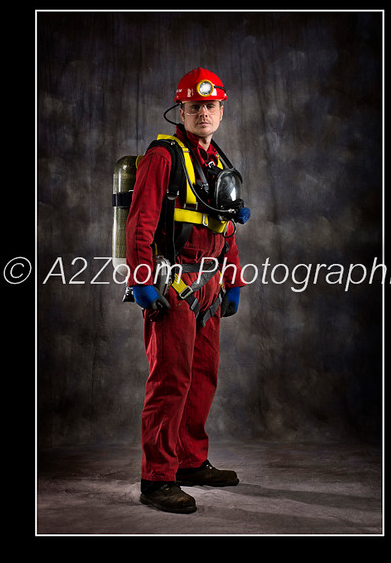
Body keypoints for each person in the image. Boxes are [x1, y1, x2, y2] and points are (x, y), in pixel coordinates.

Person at [126, 67, 249, 514]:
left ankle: (190, 462)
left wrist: (233, 282)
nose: (203, 112)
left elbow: (226, 227)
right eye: (194, 106)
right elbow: (139, 223)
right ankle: (156, 479)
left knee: (202, 378)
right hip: (171, 284)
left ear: (221, 110)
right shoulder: (163, 156)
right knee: (170, 380)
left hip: (211, 287)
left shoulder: (217, 159)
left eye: (210, 105)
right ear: (181, 110)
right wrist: (140, 281)